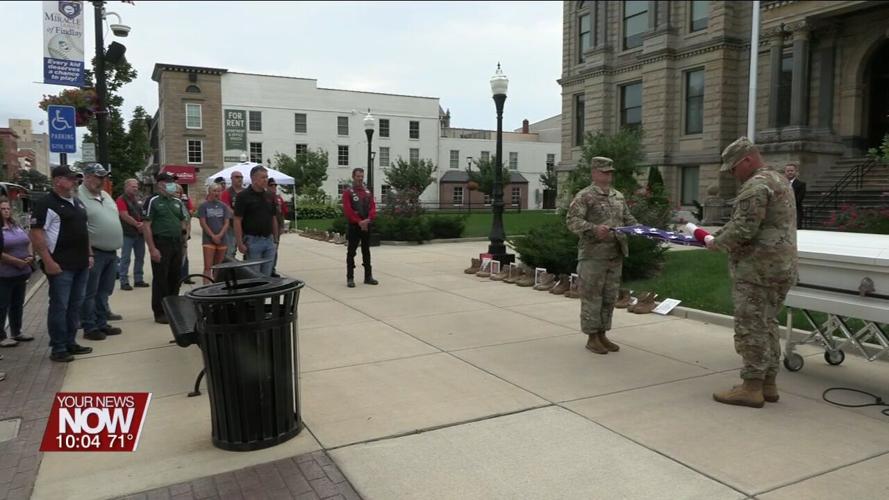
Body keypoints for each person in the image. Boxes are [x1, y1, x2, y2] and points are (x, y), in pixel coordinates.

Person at [706, 137, 797, 408]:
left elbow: (744, 229)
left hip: (758, 269)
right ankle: (768, 384)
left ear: (747, 160)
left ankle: (751, 387)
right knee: (768, 323)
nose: (733, 175)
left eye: (733, 168)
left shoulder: (755, 186)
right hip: (782, 267)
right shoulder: (780, 180)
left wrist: (715, 243)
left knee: (751, 326)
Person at [566, 157, 638, 355]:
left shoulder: (618, 196)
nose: (608, 175)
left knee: (609, 296)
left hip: (615, 253)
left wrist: (641, 229)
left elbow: (627, 218)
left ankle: (603, 333)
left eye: (610, 172)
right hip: (593, 254)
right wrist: (593, 229)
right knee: (592, 296)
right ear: (594, 173)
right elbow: (572, 221)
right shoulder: (585, 196)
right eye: (605, 172)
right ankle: (592, 337)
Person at [29, 165, 94, 362]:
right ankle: (58, 347)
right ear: (57, 180)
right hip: (60, 265)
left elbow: (84, 230)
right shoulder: (46, 203)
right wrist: (48, 261)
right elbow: (36, 234)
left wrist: (89, 254)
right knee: (60, 306)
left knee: (75, 305)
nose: (75, 182)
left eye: (76, 178)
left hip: (80, 263)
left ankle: (70, 342)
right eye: (71, 178)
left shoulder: (77, 202)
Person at [77, 163, 124, 341]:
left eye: (103, 177)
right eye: (98, 177)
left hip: (111, 252)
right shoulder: (79, 196)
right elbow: (81, 228)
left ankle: (102, 322)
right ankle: (90, 326)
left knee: (104, 290)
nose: (102, 181)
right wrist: (88, 252)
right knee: (90, 291)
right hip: (94, 252)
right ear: (87, 177)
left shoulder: (105, 195)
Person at [143, 172, 188, 324]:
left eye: (173, 182)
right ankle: (160, 312)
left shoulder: (177, 201)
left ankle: (173, 309)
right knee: (161, 278)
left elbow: (183, 220)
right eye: (168, 182)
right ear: (160, 184)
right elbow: (146, 225)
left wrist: (184, 241)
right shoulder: (153, 201)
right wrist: (152, 248)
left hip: (176, 243)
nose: (172, 185)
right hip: (161, 243)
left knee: (175, 277)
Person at [0, 198, 35, 347]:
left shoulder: (15, 225)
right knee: (2, 305)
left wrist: (30, 255)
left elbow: (28, 240)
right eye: (3, 209)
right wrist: (17, 262)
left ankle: (17, 331)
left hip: (21, 273)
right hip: (4, 274)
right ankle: (1, 336)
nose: (6, 211)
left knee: (17, 304)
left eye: (8, 208)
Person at [234, 166, 278, 276]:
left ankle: (266, 293)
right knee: (254, 276)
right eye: (263, 177)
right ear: (253, 178)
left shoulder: (269, 195)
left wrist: (275, 240)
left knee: (267, 275)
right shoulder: (243, 196)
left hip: (269, 239)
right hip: (253, 240)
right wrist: (239, 242)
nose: (266, 180)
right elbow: (237, 220)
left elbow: (273, 217)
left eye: (267, 177)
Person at [116, 178, 148, 291]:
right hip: (127, 233)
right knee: (125, 258)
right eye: (133, 186)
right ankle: (124, 281)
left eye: (136, 186)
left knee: (140, 257)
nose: (136, 188)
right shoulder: (121, 199)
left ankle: (138, 279)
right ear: (126, 187)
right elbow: (123, 215)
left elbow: (143, 213)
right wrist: (137, 225)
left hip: (139, 234)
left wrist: (142, 225)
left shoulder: (138, 199)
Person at [197, 183, 232, 284]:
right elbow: (203, 222)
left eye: (218, 191)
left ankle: (216, 286)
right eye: (214, 191)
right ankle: (205, 288)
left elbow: (226, 223)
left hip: (222, 239)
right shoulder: (204, 206)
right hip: (209, 239)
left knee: (218, 267)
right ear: (209, 192)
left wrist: (220, 235)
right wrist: (212, 236)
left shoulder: (224, 206)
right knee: (208, 266)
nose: (216, 193)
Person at [220, 171, 245, 259]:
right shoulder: (227, 193)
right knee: (230, 251)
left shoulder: (246, 192)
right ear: (231, 179)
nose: (240, 179)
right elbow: (227, 208)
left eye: (241, 177)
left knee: (248, 250)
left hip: (246, 227)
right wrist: (239, 216)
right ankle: (229, 272)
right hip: (231, 226)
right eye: (237, 177)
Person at [268, 178, 288, 277]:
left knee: (275, 250)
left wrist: (282, 226)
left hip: (277, 228)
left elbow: (282, 213)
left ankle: (272, 269)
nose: (273, 187)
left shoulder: (278, 199)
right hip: (267, 229)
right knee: (269, 250)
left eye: (275, 185)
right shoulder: (265, 198)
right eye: (271, 185)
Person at [176, 185, 195, 284]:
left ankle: (185, 276)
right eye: (176, 192)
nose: (177, 194)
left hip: (183, 233)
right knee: (176, 256)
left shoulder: (184, 204)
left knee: (184, 256)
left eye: (179, 192)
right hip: (174, 234)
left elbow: (188, 219)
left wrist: (187, 234)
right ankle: (177, 277)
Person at [784, 162, 806, 229]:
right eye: (788, 171)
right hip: (782, 213)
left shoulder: (801, 184)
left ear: (796, 172)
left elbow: (799, 199)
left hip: (796, 212)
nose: (790, 172)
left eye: (792, 171)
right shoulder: (780, 183)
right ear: (785, 172)